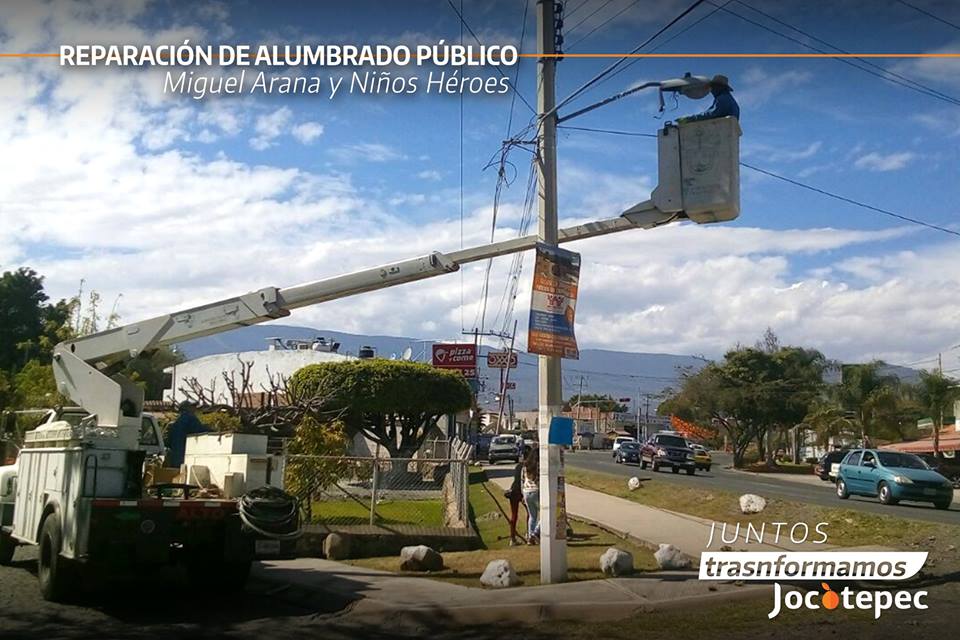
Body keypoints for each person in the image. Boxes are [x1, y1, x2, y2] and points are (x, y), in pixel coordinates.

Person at [165, 401, 208, 469]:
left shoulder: (175, 422)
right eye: (192, 407)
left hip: (174, 456)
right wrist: (211, 429)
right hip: (186, 454)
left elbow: (167, 441)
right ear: (187, 408)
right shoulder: (191, 418)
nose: (194, 409)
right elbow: (200, 431)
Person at [505, 445, 531, 546]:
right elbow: (522, 481)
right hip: (521, 491)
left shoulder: (518, 466)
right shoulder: (527, 467)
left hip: (513, 491)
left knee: (514, 515)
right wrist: (524, 496)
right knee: (530, 513)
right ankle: (528, 533)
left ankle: (512, 538)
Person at [521, 447, 540, 545]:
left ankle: (530, 536)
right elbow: (539, 480)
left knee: (532, 516)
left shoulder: (526, 465)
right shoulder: (538, 466)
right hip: (536, 491)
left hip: (526, 491)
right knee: (546, 514)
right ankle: (535, 533)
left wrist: (522, 494)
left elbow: (523, 479)